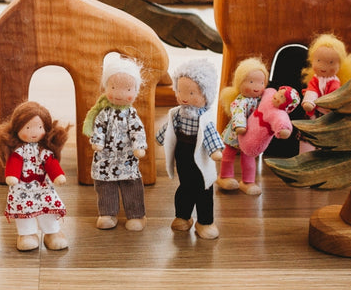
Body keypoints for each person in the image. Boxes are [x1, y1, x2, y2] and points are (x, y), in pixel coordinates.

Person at [156, 58, 224, 240]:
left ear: (206, 95)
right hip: (182, 153)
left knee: (204, 189)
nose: (184, 97)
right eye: (180, 91)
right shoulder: (177, 113)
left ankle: (205, 222)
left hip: (200, 154)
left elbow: (210, 133)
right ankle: (183, 216)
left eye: (192, 93)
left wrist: (215, 150)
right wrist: (160, 138)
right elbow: (169, 127)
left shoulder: (205, 117)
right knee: (185, 186)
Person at [0, 101, 70, 251]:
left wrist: (58, 175)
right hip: (22, 189)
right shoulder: (18, 152)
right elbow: (14, 163)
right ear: (17, 128)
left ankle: (53, 232)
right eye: (27, 128)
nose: (33, 132)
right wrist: (12, 176)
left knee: (47, 208)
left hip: (43, 188)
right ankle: (27, 234)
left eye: (40, 127)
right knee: (23, 211)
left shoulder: (44, 151)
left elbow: (51, 164)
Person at [83, 55, 147, 231]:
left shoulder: (131, 114)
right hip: (106, 158)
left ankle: (136, 215)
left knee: (131, 185)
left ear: (135, 90)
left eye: (127, 89)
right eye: (113, 88)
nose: (119, 94)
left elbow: (137, 130)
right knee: (105, 186)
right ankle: (107, 214)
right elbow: (99, 127)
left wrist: (139, 146)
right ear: (106, 87)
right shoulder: (104, 113)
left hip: (127, 158)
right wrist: (97, 141)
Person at [218, 57, 269, 195]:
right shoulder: (240, 101)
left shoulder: (260, 100)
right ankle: (225, 177)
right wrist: (240, 125)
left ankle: (248, 181)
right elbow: (238, 112)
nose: (256, 86)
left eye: (261, 82)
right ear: (239, 83)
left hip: (250, 136)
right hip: (235, 133)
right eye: (251, 82)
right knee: (228, 154)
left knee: (248, 157)